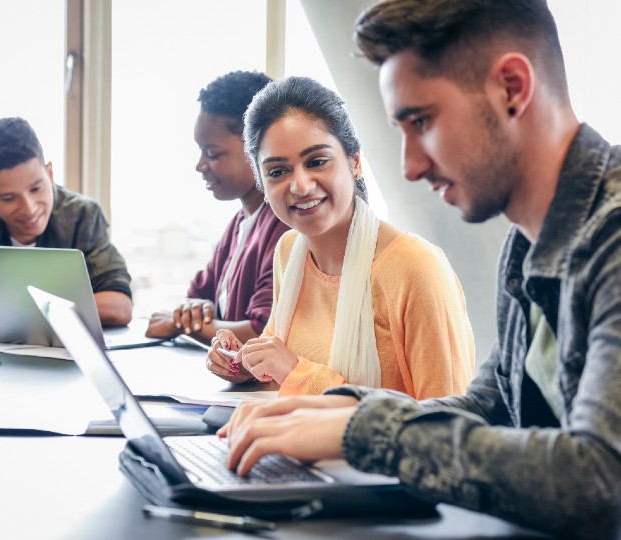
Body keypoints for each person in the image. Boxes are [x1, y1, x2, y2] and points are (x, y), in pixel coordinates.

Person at [218, 2, 621, 539]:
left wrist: (365, 431)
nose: (409, 165)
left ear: (512, 87)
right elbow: (491, 405)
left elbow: (599, 482)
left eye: (423, 122)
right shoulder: (525, 247)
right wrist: (331, 413)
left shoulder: (611, 239)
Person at [208, 76, 475, 398]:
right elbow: (278, 373)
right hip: (295, 442)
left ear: (356, 163)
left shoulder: (415, 268)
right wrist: (240, 364)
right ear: (262, 184)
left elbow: (446, 426)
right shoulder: (290, 251)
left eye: (317, 162)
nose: (301, 186)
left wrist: (297, 373)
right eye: (278, 172)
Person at [0, 117, 133, 337]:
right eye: (8, 198)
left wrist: (19, 317)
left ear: (49, 174)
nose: (29, 208)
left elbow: (119, 305)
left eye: (36, 188)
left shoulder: (82, 216)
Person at [145, 71, 289, 345]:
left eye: (212, 153)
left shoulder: (284, 226)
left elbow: (262, 332)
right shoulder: (239, 223)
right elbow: (196, 297)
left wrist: (181, 323)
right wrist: (189, 315)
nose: (200, 165)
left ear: (257, 147)